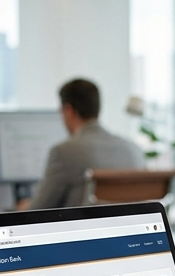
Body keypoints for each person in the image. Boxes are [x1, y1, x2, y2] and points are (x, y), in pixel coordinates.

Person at [18, 78, 144, 210]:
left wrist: (23, 207)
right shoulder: (134, 150)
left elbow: (38, 209)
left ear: (68, 110)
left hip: (83, 223)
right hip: (126, 223)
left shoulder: (63, 152)